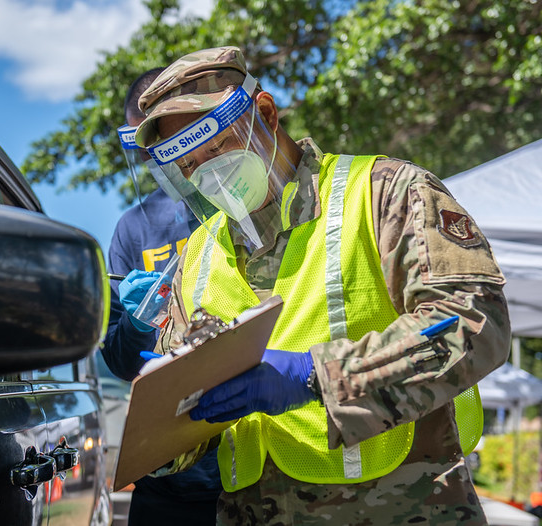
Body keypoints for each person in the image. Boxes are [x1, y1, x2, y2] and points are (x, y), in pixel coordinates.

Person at [133, 46, 511, 525]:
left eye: (216, 147)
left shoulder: (384, 192)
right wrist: (153, 433)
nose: (208, 172)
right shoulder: (197, 256)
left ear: (265, 114)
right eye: (187, 164)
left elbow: (476, 323)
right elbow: (185, 420)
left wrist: (316, 377)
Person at [101, 69, 222, 525]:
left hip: (255, 467)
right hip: (171, 478)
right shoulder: (135, 228)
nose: (160, 154)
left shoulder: (242, 204)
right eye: (143, 142)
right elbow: (116, 359)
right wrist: (134, 324)